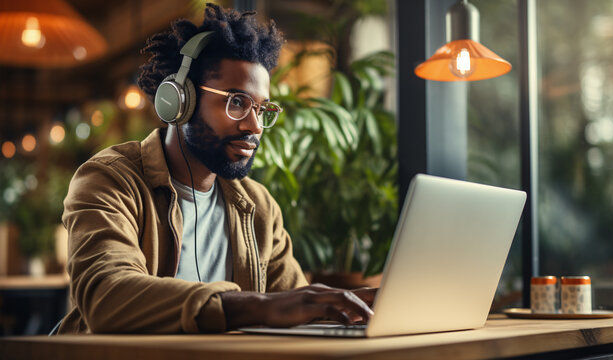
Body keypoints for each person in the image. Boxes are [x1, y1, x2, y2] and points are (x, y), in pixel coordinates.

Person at [57, 4, 375, 334]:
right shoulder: (110, 180)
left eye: (262, 108)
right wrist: (258, 306)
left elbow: (292, 305)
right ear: (181, 101)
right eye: (237, 102)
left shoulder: (257, 206)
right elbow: (107, 297)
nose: (255, 126)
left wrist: (352, 307)